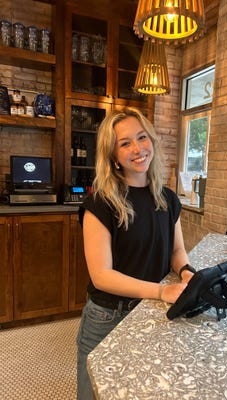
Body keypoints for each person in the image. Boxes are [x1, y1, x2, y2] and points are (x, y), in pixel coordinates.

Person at [76, 106, 195, 399]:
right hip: (109, 316)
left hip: (151, 310)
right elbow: (101, 275)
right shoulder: (101, 204)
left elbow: (177, 250)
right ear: (113, 156)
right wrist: (160, 291)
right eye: (125, 143)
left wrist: (186, 271)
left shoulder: (166, 198)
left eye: (142, 138)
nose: (138, 148)